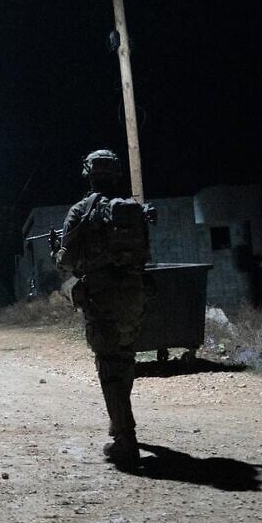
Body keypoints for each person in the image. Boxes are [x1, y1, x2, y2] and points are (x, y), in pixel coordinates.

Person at [52, 149, 152, 467]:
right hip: (134, 291)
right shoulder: (133, 210)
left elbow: (66, 261)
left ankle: (125, 438)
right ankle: (119, 420)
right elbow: (145, 251)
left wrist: (56, 251)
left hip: (101, 294)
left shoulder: (81, 210)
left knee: (108, 364)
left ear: (88, 173)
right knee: (125, 355)